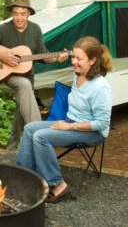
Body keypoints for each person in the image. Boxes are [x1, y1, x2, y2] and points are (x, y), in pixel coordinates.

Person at [16, 36, 113, 203]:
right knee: (31, 127)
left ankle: (59, 185)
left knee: (41, 137)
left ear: (92, 60)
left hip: (92, 133)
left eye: (78, 58)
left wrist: (70, 127)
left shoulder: (100, 87)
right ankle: (23, 176)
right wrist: (68, 124)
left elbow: (102, 124)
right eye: (73, 57)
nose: (73, 61)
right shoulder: (78, 74)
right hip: (71, 122)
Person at [0, 0, 68, 150]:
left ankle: (12, 146)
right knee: (24, 85)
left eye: (22, 14)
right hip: (8, 76)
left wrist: (57, 59)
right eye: (16, 13)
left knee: (23, 104)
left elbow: (43, 55)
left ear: (28, 14)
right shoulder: (3, 29)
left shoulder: (35, 29)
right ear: (12, 13)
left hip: (27, 76)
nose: (19, 17)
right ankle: (41, 133)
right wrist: (3, 56)